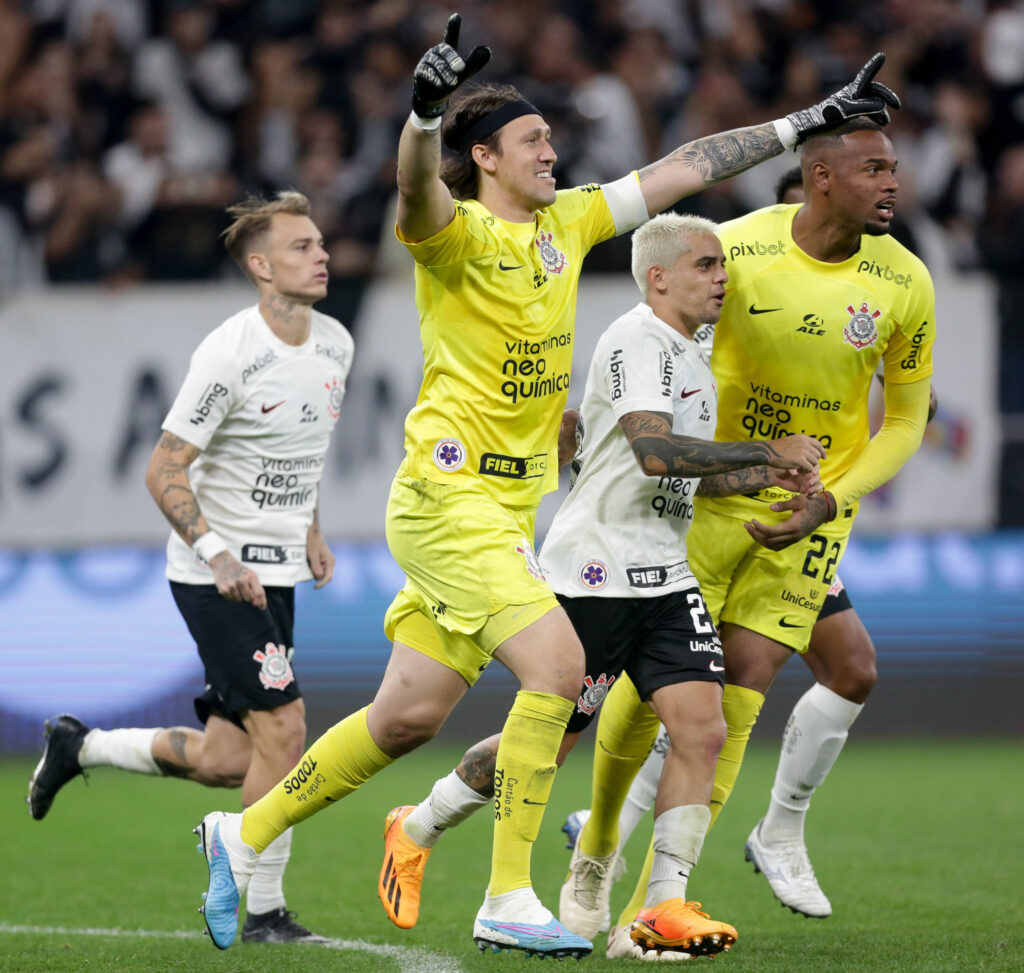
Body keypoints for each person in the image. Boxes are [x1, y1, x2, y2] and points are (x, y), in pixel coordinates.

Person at [190, 12, 899, 958]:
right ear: (484, 155)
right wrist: (422, 118)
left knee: (407, 718)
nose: (553, 153)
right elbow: (412, 195)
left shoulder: (569, 223)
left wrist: (808, 121)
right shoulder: (458, 235)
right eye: (535, 142)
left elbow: (688, 165)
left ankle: (242, 830)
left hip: (509, 506)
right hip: (447, 499)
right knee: (562, 674)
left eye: (554, 142)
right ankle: (507, 893)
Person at [377, 212, 826, 960]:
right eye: (707, 265)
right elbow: (655, 451)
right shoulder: (636, 339)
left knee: (703, 728)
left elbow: (692, 474)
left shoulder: (692, 349)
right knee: (547, 748)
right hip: (595, 574)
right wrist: (765, 447)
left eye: (723, 265)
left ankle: (663, 907)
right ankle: (419, 822)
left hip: (665, 574)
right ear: (659, 277)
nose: (723, 277)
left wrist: (769, 478)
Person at [568, 113, 936, 958]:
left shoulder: (906, 280)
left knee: (741, 693)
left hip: (806, 511)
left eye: (894, 168)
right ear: (821, 178)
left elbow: (909, 419)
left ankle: (664, 903)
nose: (892, 182)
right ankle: (597, 850)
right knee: (644, 683)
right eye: (873, 167)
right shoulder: (734, 246)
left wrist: (830, 499)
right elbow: (656, 336)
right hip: (706, 497)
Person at [26, 190, 353, 946]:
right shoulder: (229, 351)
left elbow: (300, 453)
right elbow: (163, 467)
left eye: (321, 243)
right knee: (287, 726)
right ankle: (266, 911)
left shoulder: (337, 342)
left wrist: (311, 528)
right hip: (215, 573)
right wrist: (217, 549)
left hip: (277, 573)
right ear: (262, 267)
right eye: (303, 246)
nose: (324, 254)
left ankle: (82, 745)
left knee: (225, 757)